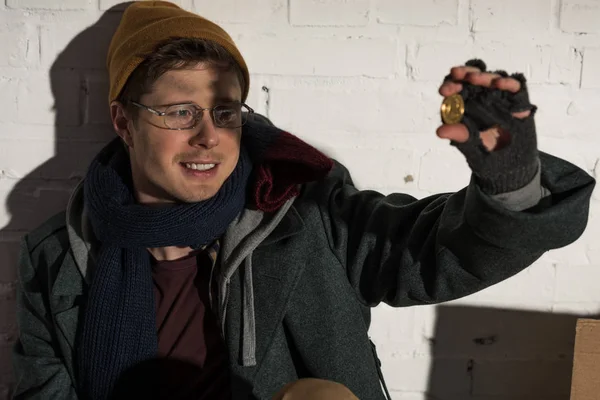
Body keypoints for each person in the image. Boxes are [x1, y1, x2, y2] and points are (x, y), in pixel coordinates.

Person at [11, 1, 595, 400]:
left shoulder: (302, 210)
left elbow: (429, 253)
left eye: (224, 112)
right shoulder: (57, 259)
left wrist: (508, 184)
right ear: (122, 120)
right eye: (179, 111)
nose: (208, 136)